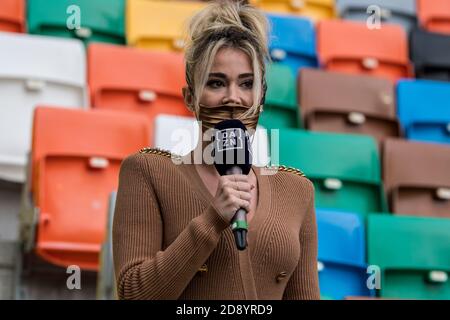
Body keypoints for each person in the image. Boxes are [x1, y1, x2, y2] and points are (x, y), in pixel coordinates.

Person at [113, 0, 320, 300]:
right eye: (216, 83)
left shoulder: (296, 190)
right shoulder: (148, 172)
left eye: (246, 84)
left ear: (261, 96)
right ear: (190, 97)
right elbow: (133, 294)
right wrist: (211, 221)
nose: (233, 98)